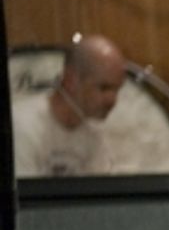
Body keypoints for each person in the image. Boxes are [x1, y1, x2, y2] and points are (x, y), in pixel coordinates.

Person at [12, 33, 126, 177]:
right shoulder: (21, 126)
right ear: (71, 80)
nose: (112, 100)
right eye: (104, 88)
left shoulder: (93, 137)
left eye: (117, 90)